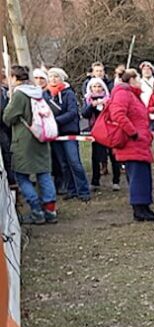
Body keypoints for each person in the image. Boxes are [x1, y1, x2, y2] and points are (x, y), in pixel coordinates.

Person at [2, 65, 57, 224]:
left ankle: (36, 210)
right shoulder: (37, 91)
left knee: (21, 175)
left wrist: (9, 102)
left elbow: (8, 117)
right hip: (40, 137)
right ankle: (50, 210)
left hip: (24, 141)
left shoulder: (19, 94)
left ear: (13, 78)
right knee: (44, 173)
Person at [111, 69, 154, 221]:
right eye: (137, 78)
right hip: (133, 142)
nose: (139, 82)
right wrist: (133, 133)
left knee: (142, 176)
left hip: (140, 142)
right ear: (131, 80)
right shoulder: (123, 93)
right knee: (137, 176)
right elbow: (118, 114)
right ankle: (139, 209)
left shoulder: (132, 95)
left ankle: (144, 206)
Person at [46, 67, 91, 202]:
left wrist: (55, 121)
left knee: (74, 162)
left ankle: (83, 190)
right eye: (51, 77)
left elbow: (72, 112)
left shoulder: (68, 94)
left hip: (68, 132)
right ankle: (71, 189)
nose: (53, 80)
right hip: (54, 133)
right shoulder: (46, 94)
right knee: (63, 164)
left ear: (61, 78)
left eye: (56, 77)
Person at [81, 77, 112, 190]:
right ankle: (95, 180)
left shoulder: (109, 99)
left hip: (109, 130)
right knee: (95, 156)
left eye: (99, 86)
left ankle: (116, 180)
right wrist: (92, 106)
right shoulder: (88, 100)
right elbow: (84, 114)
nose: (97, 89)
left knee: (113, 155)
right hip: (95, 131)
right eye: (94, 86)